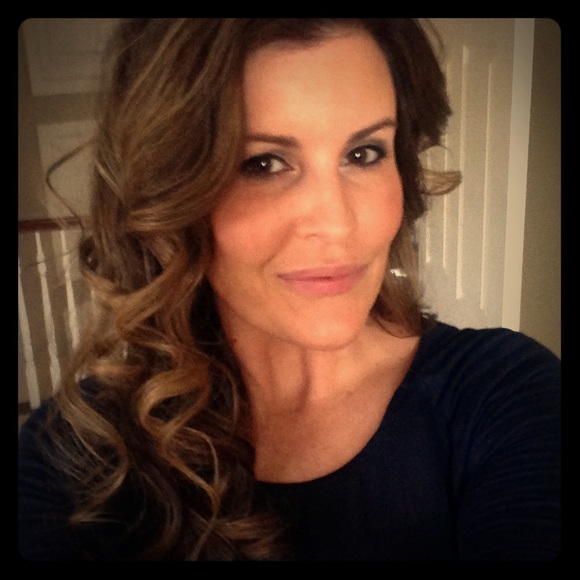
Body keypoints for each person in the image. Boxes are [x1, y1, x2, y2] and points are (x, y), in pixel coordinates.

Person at [18, 18, 561, 561]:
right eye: (263, 163)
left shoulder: (506, 393)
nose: (338, 224)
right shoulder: (74, 456)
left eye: (364, 153)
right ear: (169, 197)